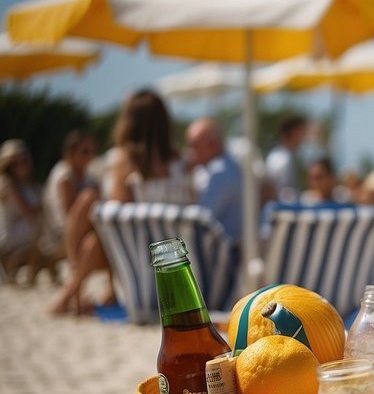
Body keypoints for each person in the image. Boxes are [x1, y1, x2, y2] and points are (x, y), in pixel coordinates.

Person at [51, 89, 188, 314]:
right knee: (92, 216)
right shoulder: (178, 161)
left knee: (92, 219)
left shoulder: (125, 158)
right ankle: (83, 291)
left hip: (139, 254)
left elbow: (118, 213)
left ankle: (72, 289)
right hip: (175, 247)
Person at [39, 130, 98, 273]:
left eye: (92, 151)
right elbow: (70, 214)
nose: (90, 156)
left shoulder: (86, 175)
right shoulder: (65, 175)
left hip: (72, 227)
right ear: (72, 152)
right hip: (61, 232)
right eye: (85, 152)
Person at [185, 117, 243, 241]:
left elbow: (202, 218)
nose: (190, 153)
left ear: (213, 144)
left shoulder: (220, 171)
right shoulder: (226, 166)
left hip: (225, 252)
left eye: (194, 146)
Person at [0, 139, 45, 283]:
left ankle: (30, 268)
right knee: (41, 224)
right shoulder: (7, 184)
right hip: (9, 233)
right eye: (15, 163)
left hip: (19, 228)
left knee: (42, 225)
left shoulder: (25, 183)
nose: (20, 166)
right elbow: (28, 212)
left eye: (24, 161)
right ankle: (32, 270)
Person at [264, 114, 309, 202]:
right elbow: (276, 192)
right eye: (302, 131)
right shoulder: (282, 159)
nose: (304, 137)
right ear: (294, 132)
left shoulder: (283, 155)